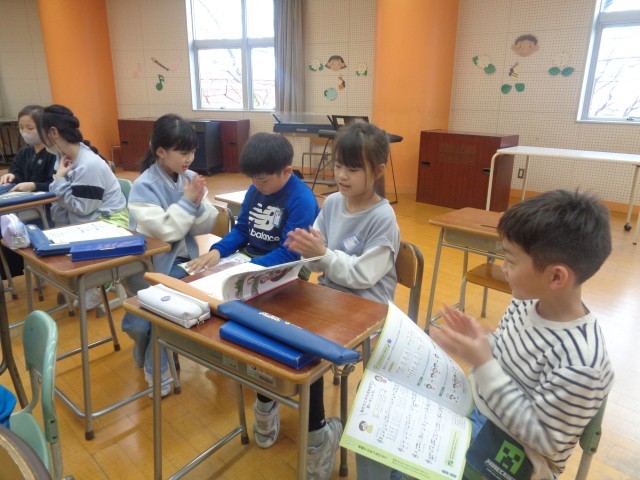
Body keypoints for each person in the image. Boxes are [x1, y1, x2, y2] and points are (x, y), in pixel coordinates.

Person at [430, 190, 614, 479]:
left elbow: (544, 440)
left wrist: (483, 363)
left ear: (556, 276)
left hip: (519, 451)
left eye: (511, 260)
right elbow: (506, 356)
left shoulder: (582, 363)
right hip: (481, 409)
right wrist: (482, 342)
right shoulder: (526, 301)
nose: (502, 268)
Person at [185, 132, 323, 477]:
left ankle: (266, 397)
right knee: (214, 305)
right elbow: (242, 230)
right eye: (253, 180)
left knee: (262, 328)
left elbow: (292, 254)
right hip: (249, 265)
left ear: (286, 171)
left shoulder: (302, 199)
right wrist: (218, 252)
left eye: (263, 181)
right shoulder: (255, 189)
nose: (257, 186)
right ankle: (258, 387)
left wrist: (246, 270)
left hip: (287, 273)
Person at [284, 122, 400, 480]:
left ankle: (317, 437)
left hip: (367, 310)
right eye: (338, 166)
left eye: (353, 168)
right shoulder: (333, 203)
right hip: (330, 298)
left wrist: (321, 254)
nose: (341, 175)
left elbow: (364, 276)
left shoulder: (383, 217)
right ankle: (273, 404)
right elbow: (319, 255)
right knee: (278, 329)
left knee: (307, 348)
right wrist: (305, 252)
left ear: (377, 172)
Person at [121, 114, 218, 397]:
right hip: (149, 265)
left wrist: (195, 205)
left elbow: (205, 224)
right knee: (156, 315)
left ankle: (155, 362)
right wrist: (188, 202)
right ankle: (154, 361)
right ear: (160, 151)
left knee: (168, 310)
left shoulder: (189, 178)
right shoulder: (144, 185)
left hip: (183, 262)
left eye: (192, 151)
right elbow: (166, 231)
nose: (189, 158)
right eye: (182, 152)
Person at [38, 104, 128, 310]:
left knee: (71, 244)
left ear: (53, 133)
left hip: (111, 220)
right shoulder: (61, 158)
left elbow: (82, 208)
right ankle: (84, 283)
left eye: (43, 134)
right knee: (52, 243)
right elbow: (62, 200)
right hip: (87, 218)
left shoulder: (89, 164)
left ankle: (99, 280)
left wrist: (59, 181)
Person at [0, 105, 56, 282]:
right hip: (20, 205)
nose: (25, 132)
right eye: (21, 127)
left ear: (44, 128)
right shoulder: (25, 152)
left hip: (45, 210)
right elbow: (16, 172)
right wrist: (10, 176)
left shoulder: (53, 153)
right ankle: (12, 273)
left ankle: (33, 268)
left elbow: (56, 185)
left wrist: (34, 185)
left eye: (30, 128)